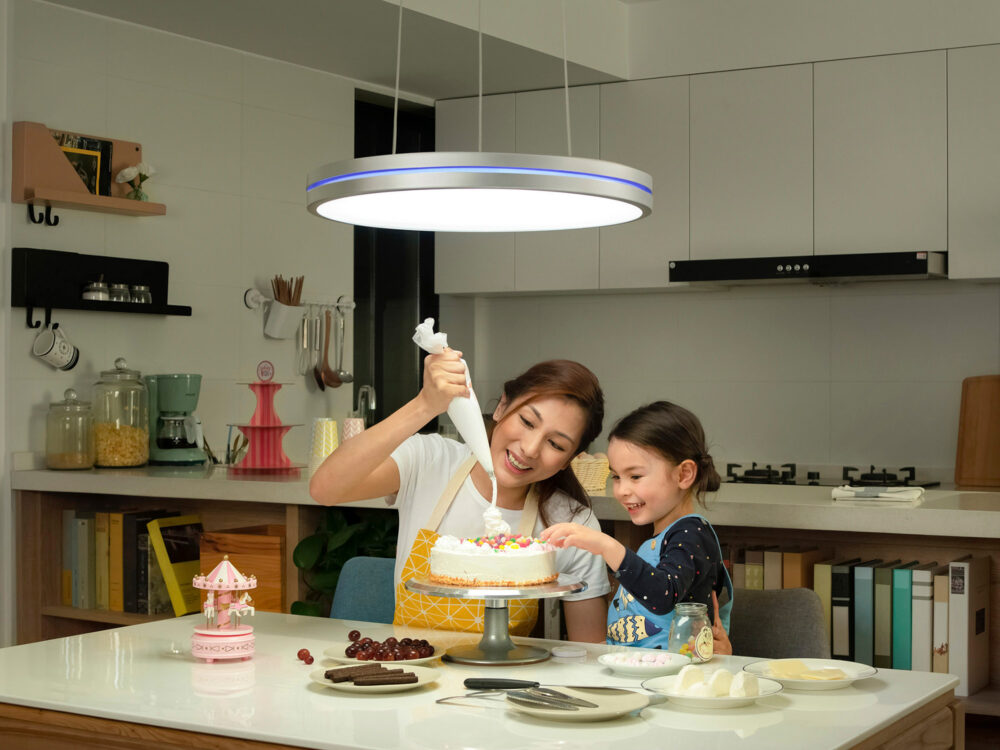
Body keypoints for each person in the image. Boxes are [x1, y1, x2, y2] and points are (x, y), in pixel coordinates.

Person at [309, 351, 611, 642]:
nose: (530, 449)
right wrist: (424, 405)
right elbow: (325, 489)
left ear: (571, 457)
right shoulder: (431, 460)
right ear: (503, 407)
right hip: (410, 678)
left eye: (556, 444)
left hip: (502, 685)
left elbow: (589, 650)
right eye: (528, 422)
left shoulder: (572, 524)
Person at [541, 401, 734, 652]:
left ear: (684, 474)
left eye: (635, 476)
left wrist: (608, 547)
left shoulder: (692, 535)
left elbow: (664, 595)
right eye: (616, 477)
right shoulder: (663, 537)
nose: (621, 490)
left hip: (673, 678)